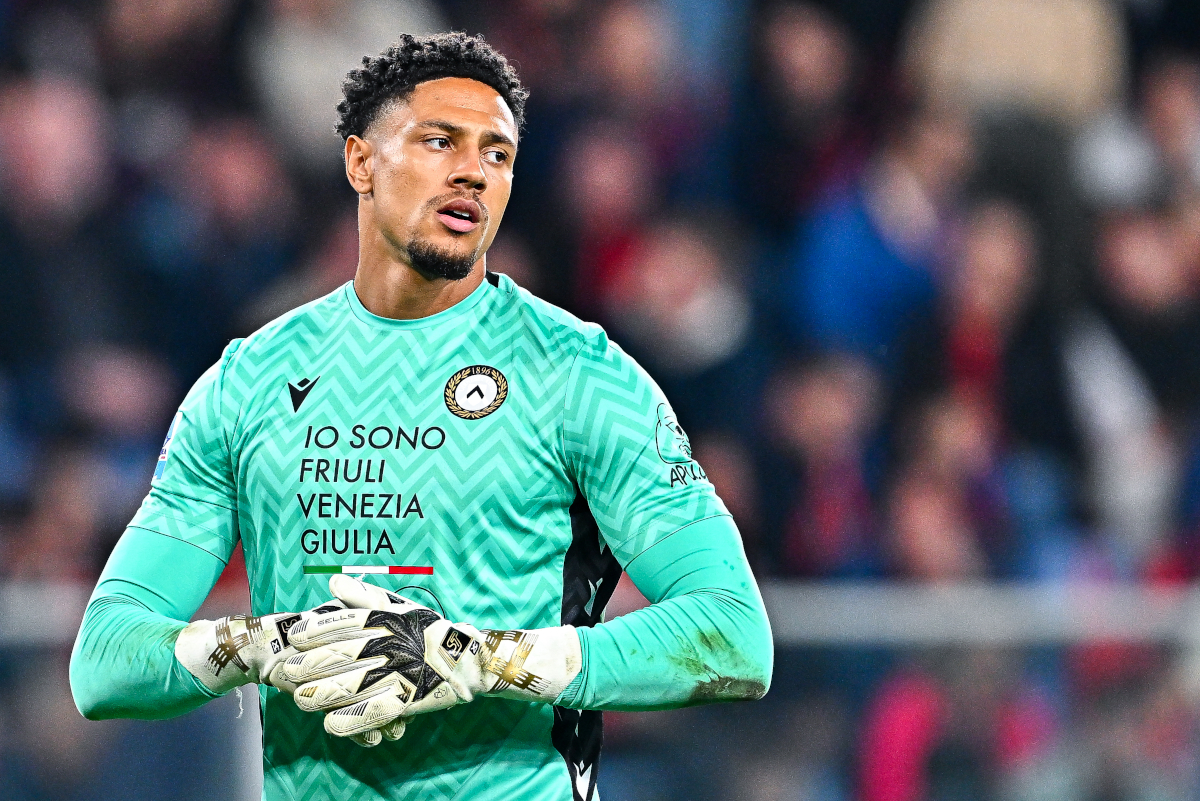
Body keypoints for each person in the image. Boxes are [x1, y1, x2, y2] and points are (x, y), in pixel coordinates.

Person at [68, 32, 772, 801]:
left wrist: (480, 658)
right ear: (360, 162)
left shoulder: (581, 377)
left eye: (497, 153)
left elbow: (733, 634)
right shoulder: (248, 383)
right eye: (440, 142)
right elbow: (104, 661)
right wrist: (265, 643)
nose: (473, 170)